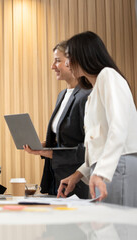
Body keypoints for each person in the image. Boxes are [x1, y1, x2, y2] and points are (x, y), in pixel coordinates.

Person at [57, 31, 137, 207]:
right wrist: (78, 175)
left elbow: (118, 127)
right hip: (107, 167)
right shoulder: (93, 94)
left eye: (69, 57)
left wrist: (101, 172)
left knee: (119, 229)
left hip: (117, 164)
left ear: (85, 54)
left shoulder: (108, 76)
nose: (68, 63)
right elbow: (98, 144)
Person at [23, 41, 91, 198]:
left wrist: (45, 152)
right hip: (55, 176)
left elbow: (87, 150)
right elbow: (63, 140)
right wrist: (41, 146)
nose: (53, 66)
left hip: (75, 180)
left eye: (57, 60)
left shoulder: (86, 96)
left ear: (71, 62)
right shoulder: (63, 95)